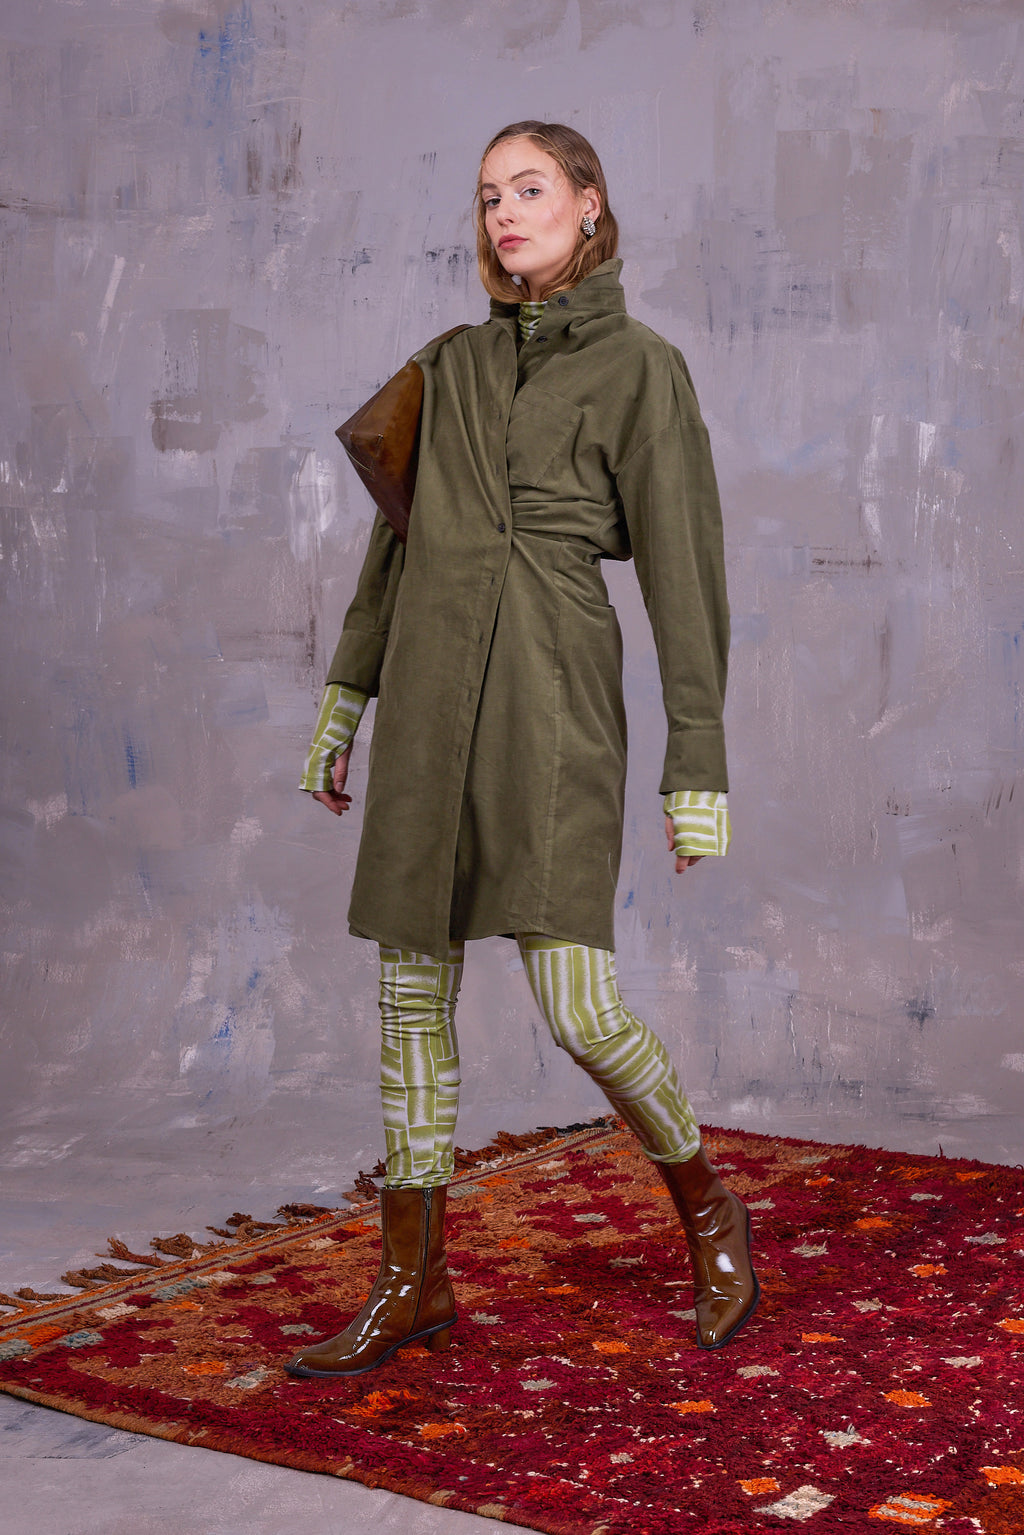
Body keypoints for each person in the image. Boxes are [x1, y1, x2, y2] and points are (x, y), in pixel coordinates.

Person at [285, 121, 758, 1380]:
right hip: (428, 687)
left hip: (552, 688)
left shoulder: (642, 368)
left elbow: (685, 574)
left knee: (578, 1004)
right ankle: (412, 1278)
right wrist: (344, 701)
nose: (504, 212)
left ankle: (709, 1205)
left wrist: (696, 763)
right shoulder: (446, 364)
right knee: (409, 989)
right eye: (490, 194)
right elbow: (392, 549)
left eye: (531, 188)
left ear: (589, 204)